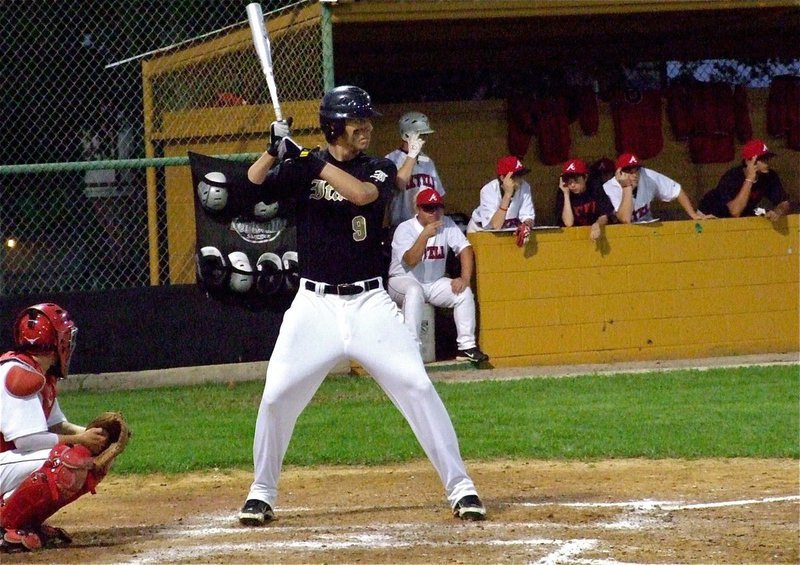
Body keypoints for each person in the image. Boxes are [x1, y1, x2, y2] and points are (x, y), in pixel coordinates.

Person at [240, 85, 486, 525]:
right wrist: (273, 150)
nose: (367, 128)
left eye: (368, 121)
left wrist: (313, 162)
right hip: (313, 306)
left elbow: (362, 196)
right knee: (276, 396)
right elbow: (249, 188)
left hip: (370, 303)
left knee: (417, 386)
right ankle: (262, 491)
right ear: (336, 126)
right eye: (358, 122)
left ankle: (461, 486)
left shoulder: (379, 168)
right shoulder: (302, 168)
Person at [0, 303, 109, 552]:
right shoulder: (20, 375)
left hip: (4, 462)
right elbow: (27, 441)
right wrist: (81, 442)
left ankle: (26, 522)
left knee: (88, 456)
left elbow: (57, 425)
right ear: (55, 342)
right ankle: (6, 525)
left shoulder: (39, 373)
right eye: (66, 338)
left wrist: (94, 437)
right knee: (68, 461)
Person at [388, 188, 488, 364]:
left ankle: (467, 347)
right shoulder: (405, 229)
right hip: (402, 281)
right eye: (428, 208)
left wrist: (464, 279)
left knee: (463, 293)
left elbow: (465, 249)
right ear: (418, 210)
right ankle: (412, 349)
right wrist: (424, 236)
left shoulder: (447, 223)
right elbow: (410, 260)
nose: (434, 213)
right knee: (414, 291)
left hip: (434, 282)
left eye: (437, 208)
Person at [698, 139, 792, 221]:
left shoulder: (769, 176)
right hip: (711, 214)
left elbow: (784, 202)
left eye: (768, 158)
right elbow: (735, 212)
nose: (767, 163)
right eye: (762, 159)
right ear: (749, 161)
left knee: (761, 212)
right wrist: (749, 179)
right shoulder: (732, 177)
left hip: (746, 210)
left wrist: (777, 212)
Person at [603, 153, 711, 223]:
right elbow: (625, 219)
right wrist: (626, 186)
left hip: (648, 229)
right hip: (622, 237)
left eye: (636, 170)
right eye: (629, 171)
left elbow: (677, 190)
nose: (634, 174)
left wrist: (693, 214)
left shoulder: (647, 175)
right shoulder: (609, 188)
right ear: (619, 173)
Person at [385, 111, 447, 228]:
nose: (424, 139)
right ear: (406, 135)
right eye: (420, 135)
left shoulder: (427, 160)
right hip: (402, 226)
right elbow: (400, 183)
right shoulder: (391, 159)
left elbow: (438, 194)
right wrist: (412, 155)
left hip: (427, 226)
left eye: (425, 135)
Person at [467, 155, 535, 233]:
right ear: (503, 178)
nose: (519, 179)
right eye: (515, 176)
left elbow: (528, 216)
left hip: (506, 228)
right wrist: (507, 195)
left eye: (521, 175)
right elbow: (496, 225)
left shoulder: (524, 186)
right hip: (479, 230)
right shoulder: (488, 190)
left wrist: (526, 226)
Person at [556, 158, 615, 241]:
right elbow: (568, 223)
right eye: (568, 181)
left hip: (595, 236)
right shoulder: (564, 192)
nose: (572, 185)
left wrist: (597, 224)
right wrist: (566, 194)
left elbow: (604, 214)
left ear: (585, 178)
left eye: (576, 180)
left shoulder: (594, 187)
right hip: (574, 239)